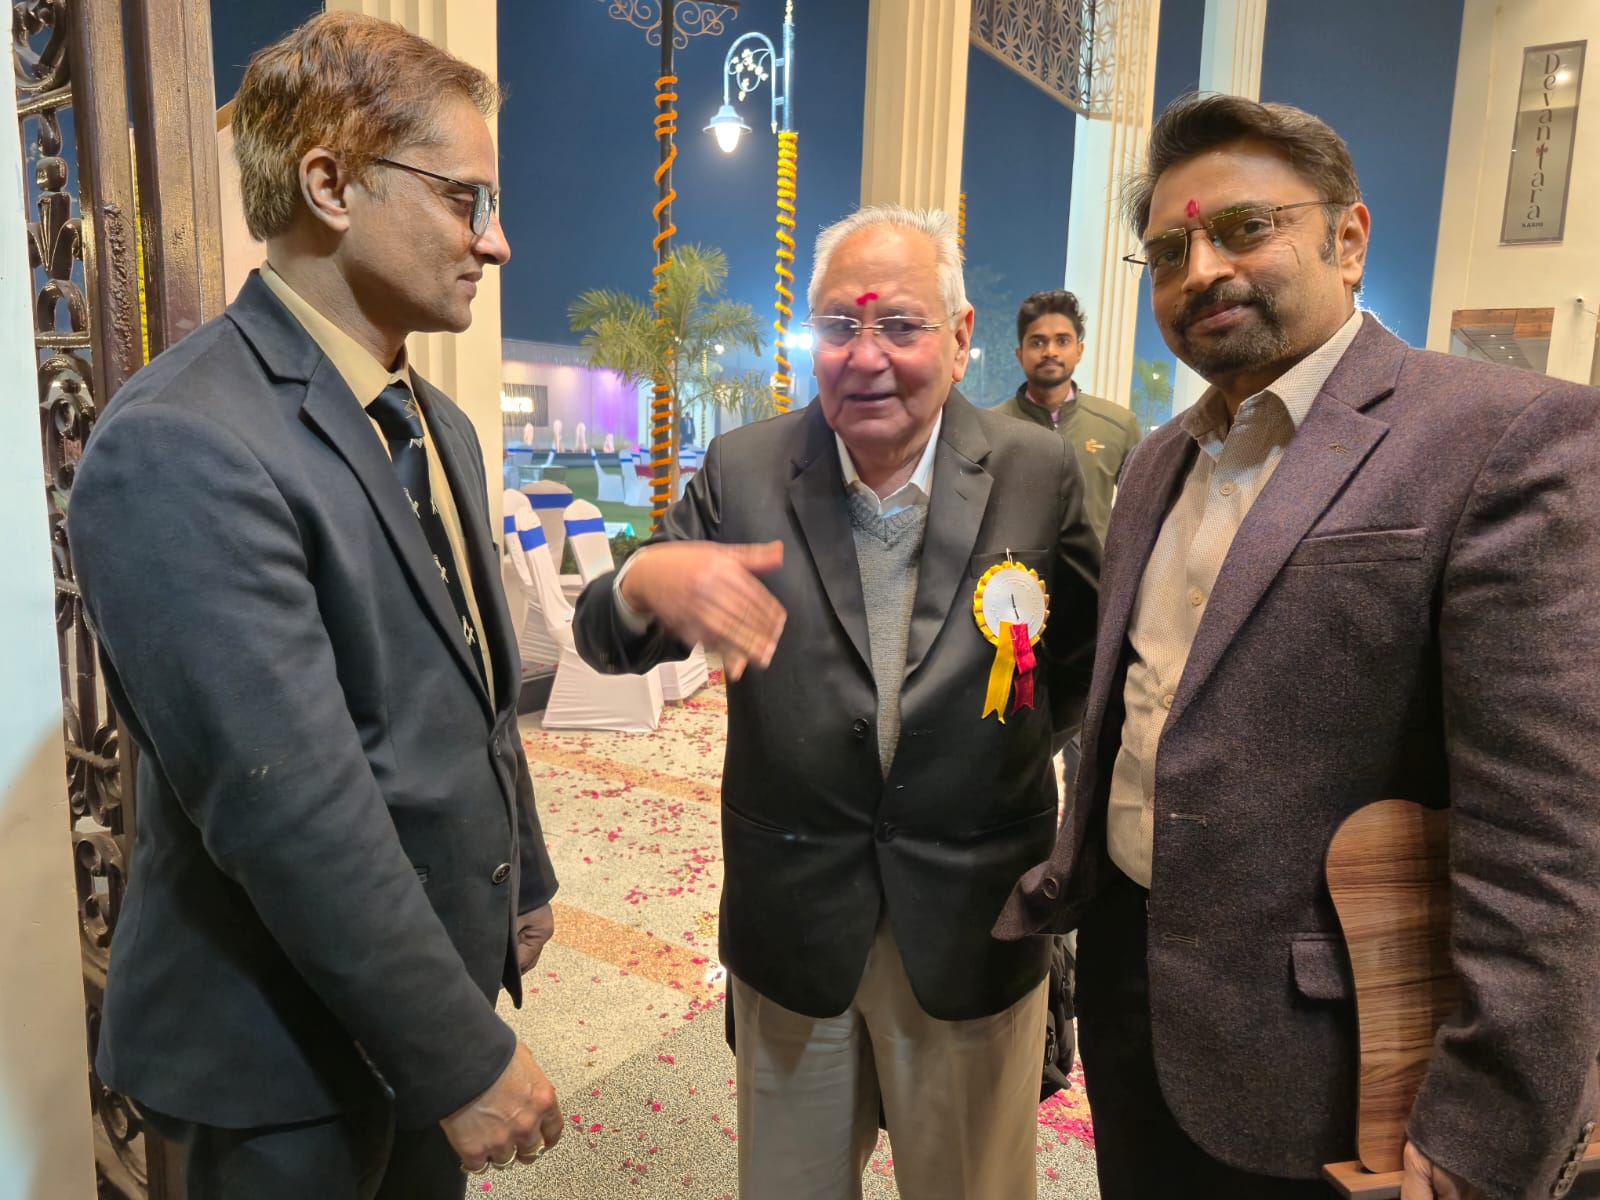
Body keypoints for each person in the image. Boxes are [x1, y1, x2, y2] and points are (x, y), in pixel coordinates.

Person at [995, 92, 1600, 1200]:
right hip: (1135, 1000)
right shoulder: (1160, 461)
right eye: (1169, 251)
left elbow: (1550, 834)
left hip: (1336, 1060)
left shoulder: (1500, 438)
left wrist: (1490, 1118)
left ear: (1348, 239)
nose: (1202, 269)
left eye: (1245, 227)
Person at [67, 14, 564, 1197]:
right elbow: (284, 804)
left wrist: (522, 873)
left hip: (416, 1010)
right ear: (331, 185)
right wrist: (457, 1054)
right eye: (466, 199)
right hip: (278, 1066)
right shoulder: (182, 441)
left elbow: (470, 694)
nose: (496, 243)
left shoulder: (436, 426)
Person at [572, 204, 1100, 1200]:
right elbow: (607, 637)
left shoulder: (1037, 470)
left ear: (960, 337)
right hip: (795, 923)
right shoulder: (744, 469)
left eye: (899, 325)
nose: (865, 356)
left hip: (973, 920)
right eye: (837, 327)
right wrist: (641, 582)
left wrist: (987, 755)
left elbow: (1079, 663)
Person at [992, 289, 1144, 544]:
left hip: (1093, 570)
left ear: (1079, 351)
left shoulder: (1119, 426)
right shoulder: (990, 428)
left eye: (1062, 341)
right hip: (1010, 569)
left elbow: (1142, 514)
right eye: (1037, 342)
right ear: (1020, 354)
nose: (1050, 351)